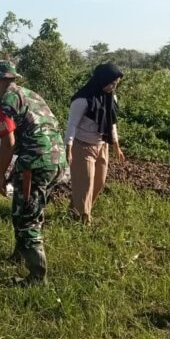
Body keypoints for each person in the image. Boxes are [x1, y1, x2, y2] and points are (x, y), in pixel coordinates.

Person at [0, 60, 66, 284]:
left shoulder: (5, 102)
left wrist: (1, 176)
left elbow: (7, 143)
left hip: (36, 164)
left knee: (27, 219)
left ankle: (37, 277)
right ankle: (20, 254)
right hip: (57, 160)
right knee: (24, 210)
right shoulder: (31, 95)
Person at [66, 63, 125, 224]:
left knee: (99, 182)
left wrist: (116, 147)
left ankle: (75, 210)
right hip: (82, 145)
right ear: (102, 80)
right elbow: (72, 125)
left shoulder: (111, 97)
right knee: (85, 183)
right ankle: (84, 219)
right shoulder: (82, 100)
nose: (113, 87)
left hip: (102, 145)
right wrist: (69, 147)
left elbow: (112, 123)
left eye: (116, 84)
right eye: (111, 83)